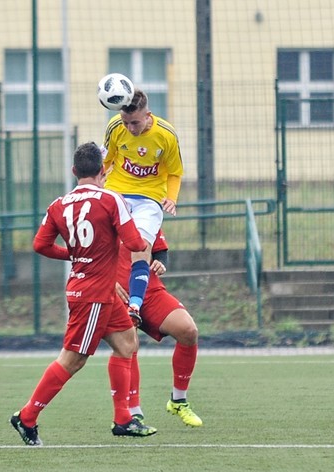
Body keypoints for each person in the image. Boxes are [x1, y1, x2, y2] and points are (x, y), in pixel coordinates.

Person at [10, 141, 157, 446]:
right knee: (73, 360)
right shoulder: (112, 200)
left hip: (97, 291)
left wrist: (74, 255)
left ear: (75, 171)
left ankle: (123, 420)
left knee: (127, 343)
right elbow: (133, 243)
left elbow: (40, 245)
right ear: (103, 171)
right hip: (92, 295)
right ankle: (26, 417)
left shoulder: (58, 204)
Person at [102, 89, 185, 327]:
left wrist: (171, 198)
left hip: (149, 198)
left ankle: (135, 305)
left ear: (148, 114)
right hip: (117, 191)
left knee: (140, 246)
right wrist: (93, 178)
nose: (130, 128)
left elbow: (175, 172)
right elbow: (107, 159)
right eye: (126, 122)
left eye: (135, 123)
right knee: (100, 240)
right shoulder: (115, 127)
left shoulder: (166, 135)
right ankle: (101, 287)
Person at [114, 230, 203, 428]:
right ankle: (133, 411)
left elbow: (160, 249)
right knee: (129, 345)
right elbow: (87, 256)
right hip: (119, 292)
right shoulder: (106, 209)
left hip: (151, 291)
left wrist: (161, 262)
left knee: (188, 331)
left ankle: (178, 401)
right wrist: (107, 282)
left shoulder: (148, 207)